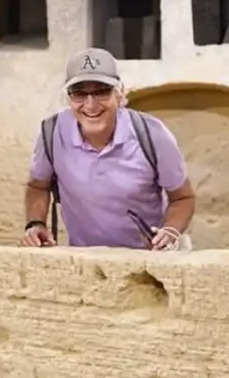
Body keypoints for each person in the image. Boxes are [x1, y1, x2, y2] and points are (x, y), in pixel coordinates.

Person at [20, 48, 195, 251]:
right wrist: (35, 224)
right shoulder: (52, 133)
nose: (91, 104)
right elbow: (38, 187)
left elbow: (183, 198)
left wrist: (171, 231)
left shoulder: (152, 134)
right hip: (87, 260)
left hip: (148, 260)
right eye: (79, 93)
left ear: (119, 94)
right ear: (69, 98)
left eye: (102, 91)